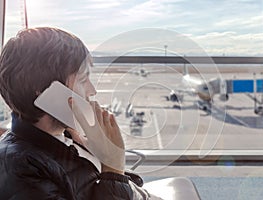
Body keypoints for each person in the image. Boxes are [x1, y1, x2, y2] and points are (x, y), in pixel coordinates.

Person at [0, 27, 151, 199]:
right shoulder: (22, 170)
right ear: (45, 90)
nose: (92, 90)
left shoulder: (66, 137)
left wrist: (99, 158)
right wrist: (113, 167)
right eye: (82, 79)